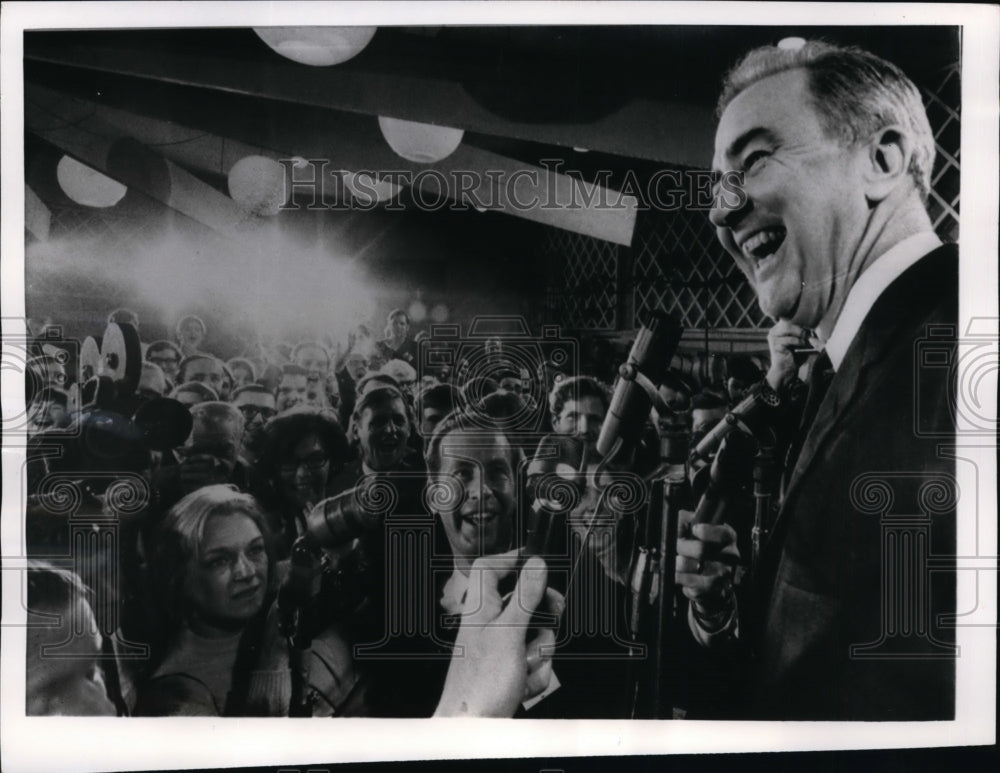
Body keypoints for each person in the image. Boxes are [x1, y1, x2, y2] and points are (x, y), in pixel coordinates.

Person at [680, 40, 957, 720]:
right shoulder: (844, 363)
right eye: (720, 183)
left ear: (881, 159)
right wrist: (721, 609)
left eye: (755, 160)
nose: (721, 210)